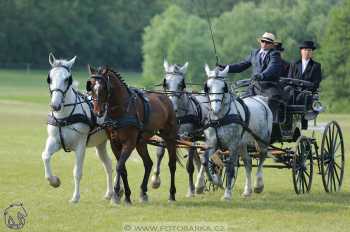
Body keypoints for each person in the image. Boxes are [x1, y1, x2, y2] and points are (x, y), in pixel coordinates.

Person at [218, 32, 283, 121]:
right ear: (260, 42)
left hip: (269, 86)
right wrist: (226, 68)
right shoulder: (254, 53)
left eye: (267, 42)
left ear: (272, 45)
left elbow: (272, 68)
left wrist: (262, 75)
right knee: (240, 100)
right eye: (263, 41)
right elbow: (242, 65)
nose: (264, 44)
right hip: (254, 86)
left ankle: (271, 123)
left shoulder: (275, 54)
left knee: (272, 99)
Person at [288, 40, 322, 126]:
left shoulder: (316, 66)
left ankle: (303, 124)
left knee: (302, 96)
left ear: (311, 53)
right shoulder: (294, 64)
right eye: (305, 50)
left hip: (308, 93)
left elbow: (316, 83)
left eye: (309, 50)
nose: (307, 52)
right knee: (286, 93)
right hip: (293, 91)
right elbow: (289, 79)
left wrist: (304, 88)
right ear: (301, 51)